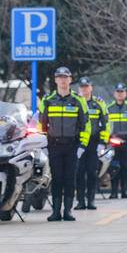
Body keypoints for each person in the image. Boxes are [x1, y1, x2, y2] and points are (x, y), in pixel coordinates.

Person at [39, 67, 91, 222]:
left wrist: (82, 146)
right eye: (60, 77)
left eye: (65, 77)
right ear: (55, 80)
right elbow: (41, 124)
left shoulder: (78, 100)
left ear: (70, 80)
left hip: (72, 146)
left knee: (70, 179)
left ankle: (67, 211)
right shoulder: (47, 100)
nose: (62, 80)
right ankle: (56, 211)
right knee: (56, 178)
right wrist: (43, 144)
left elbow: (86, 125)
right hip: (54, 146)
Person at [75, 77, 108, 210]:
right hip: (78, 144)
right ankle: (80, 201)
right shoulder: (75, 102)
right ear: (79, 88)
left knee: (92, 173)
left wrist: (102, 142)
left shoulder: (99, 103)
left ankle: (91, 200)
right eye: (82, 87)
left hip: (93, 144)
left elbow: (105, 124)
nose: (84, 89)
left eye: (86, 86)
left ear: (91, 88)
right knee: (79, 173)